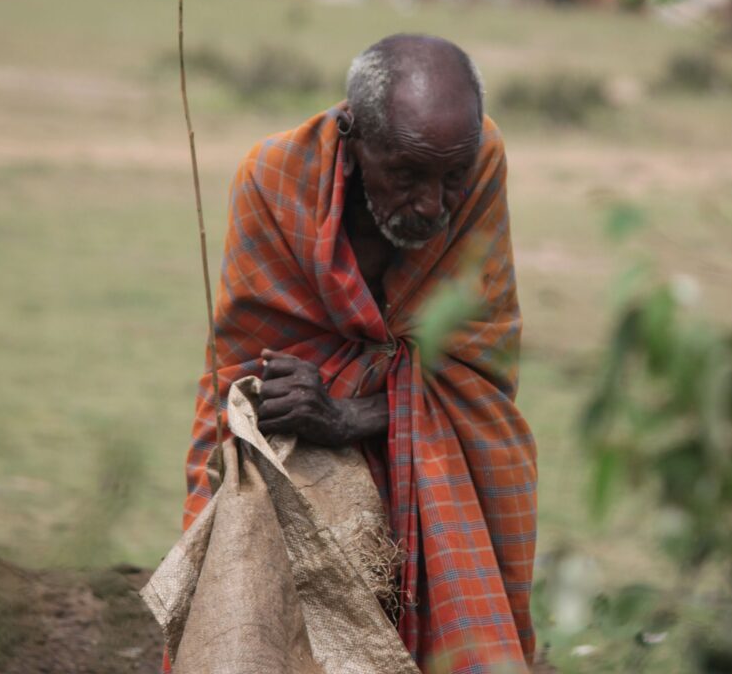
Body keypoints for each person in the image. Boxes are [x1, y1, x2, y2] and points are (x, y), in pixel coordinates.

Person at [182, 33, 537, 673]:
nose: (432, 205)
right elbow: (241, 378)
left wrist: (349, 415)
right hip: (296, 455)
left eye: (450, 178)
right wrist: (300, 414)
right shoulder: (272, 180)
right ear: (351, 138)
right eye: (405, 175)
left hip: (430, 454)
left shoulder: (481, 161)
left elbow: (478, 380)